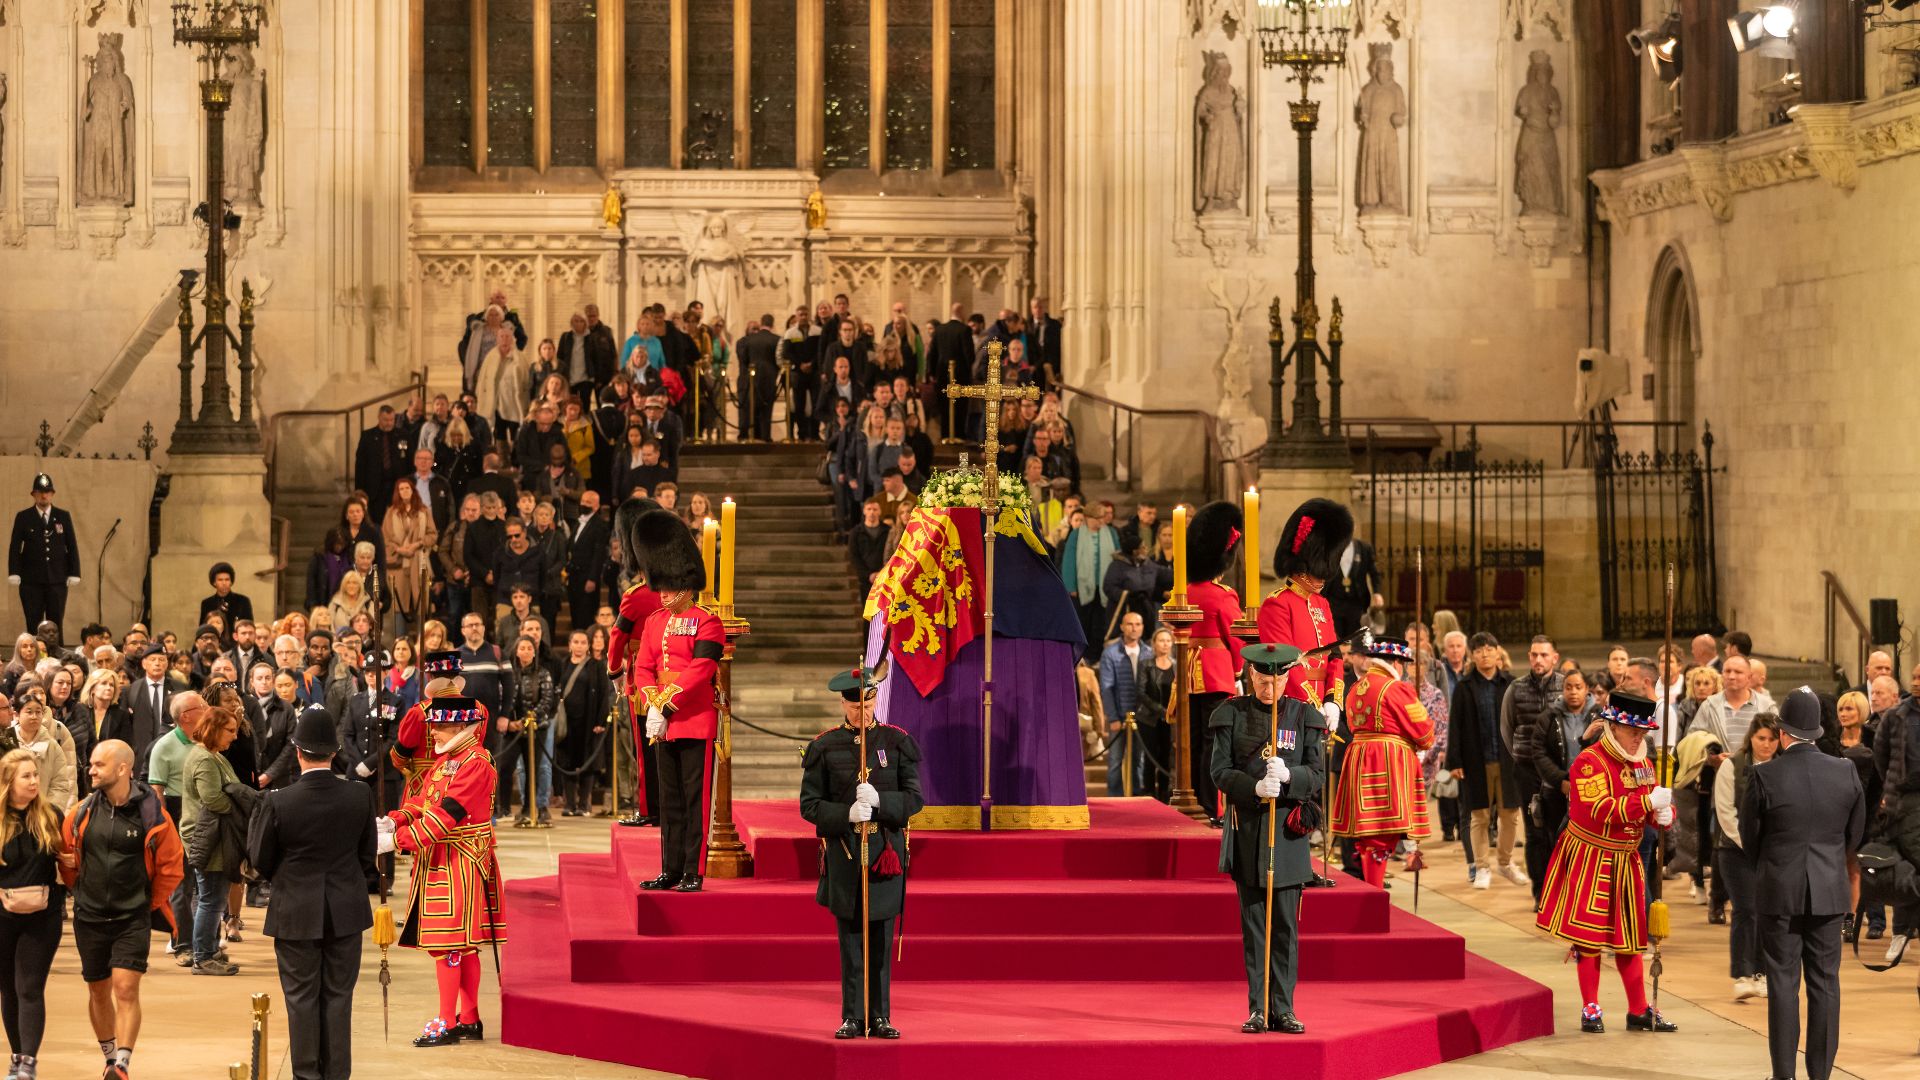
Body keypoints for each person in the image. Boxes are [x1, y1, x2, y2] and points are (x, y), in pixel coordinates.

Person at [1534, 692, 1678, 1034]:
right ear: (1613, 727)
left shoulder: (1643, 764)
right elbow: (1598, 809)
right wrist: (1647, 804)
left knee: (1631, 936)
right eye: (1633, 732)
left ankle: (1638, 1009)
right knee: (1589, 937)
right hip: (1590, 857)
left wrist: (1664, 814)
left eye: (1643, 733)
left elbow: (1649, 809)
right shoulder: (1589, 762)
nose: (1639, 739)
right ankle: (1590, 1007)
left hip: (1626, 859)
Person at [247, 706, 377, 1080]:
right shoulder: (359, 795)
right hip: (346, 909)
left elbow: (260, 859)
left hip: (295, 909)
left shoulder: (278, 800)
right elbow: (367, 855)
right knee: (338, 998)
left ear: (298, 751)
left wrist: (289, 878)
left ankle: (305, 1076)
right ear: (334, 752)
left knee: (300, 999)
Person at [1743, 687, 1866, 1080]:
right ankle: (1820, 1076)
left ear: (1782, 733)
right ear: (1816, 732)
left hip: (1779, 889)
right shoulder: (1845, 771)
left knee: (1783, 984)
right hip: (1829, 891)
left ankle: (1784, 1075)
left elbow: (1750, 839)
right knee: (1825, 984)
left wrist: (1772, 867)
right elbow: (1855, 836)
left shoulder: (1764, 774)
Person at [799, 664, 923, 1039]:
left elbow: (915, 799)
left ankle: (880, 1016)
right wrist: (846, 814)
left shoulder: (896, 742)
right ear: (843, 704)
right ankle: (852, 1016)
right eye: (855, 707)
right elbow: (809, 806)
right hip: (845, 853)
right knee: (851, 941)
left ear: (875, 701)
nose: (862, 713)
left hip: (885, 854)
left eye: (868, 705)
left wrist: (881, 802)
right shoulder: (824, 747)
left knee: (881, 941)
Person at [1210, 643, 1326, 1035]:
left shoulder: (1303, 715)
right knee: (1255, 928)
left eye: (1276, 679)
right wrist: (1255, 787)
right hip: (1248, 831)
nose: (1269, 686)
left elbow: (1317, 774)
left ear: (1287, 677)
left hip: (1288, 835)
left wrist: (1291, 776)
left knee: (1286, 930)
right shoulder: (1231, 713)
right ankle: (1258, 1009)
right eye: (1262, 679)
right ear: (1251, 675)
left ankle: (1284, 1009)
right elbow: (1220, 771)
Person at [61, 739, 186, 1080]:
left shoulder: (153, 815)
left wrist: (146, 903)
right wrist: (79, 890)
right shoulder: (82, 812)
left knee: (125, 988)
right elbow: (67, 858)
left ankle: (122, 1065)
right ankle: (109, 1057)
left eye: (98, 764)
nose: (91, 770)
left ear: (122, 769)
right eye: (91, 764)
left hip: (132, 917)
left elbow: (172, 867)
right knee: (98, 990)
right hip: (89, 917)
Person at [389, 695, 505, 1047]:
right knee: (463, 947)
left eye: (440, 726)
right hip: (444, 855)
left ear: (461, 727)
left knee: (449, 944)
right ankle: (469, 1018)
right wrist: (396, 819)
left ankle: (447, 1021)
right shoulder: (449, 759)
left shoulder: (476, 762)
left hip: (461, 859)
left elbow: (447, 814)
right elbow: (424, 801)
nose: (433, 732)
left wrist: (401, 840)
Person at [628, 509, 724, 890]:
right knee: (668, 799)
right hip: (662, 724)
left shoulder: (707, 621)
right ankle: (670, 868)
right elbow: (642, 667)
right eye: (661, 585)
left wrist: (666, 704)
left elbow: (701, 669)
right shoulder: (654, 621)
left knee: (693, 800)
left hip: (694, 720)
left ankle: (692, 871)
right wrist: (653, 703)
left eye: (669, 586)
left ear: (686, 584)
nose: (663, 592)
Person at [1331, 636, 1434, 888]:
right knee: (1382, 832)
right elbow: (1424, 732)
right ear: (1396, 662)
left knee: (1369, 835)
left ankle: (1371, 887)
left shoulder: (1356, 687)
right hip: (1387, 762)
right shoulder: (1395, 688)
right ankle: (1375, 891)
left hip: (1359, 758)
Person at [0, 748, 64, 1080]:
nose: (34, 781)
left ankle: (28, 1062)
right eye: (25, 776)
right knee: (7, 989)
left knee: (29, 987)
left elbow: (68, 862)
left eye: (35, 774)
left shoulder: (51, 815)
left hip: (43, 916)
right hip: (2, 915)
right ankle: (16, 1055)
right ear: (8, 782)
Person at [1183, 501, 1247, 824]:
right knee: (1215, 743)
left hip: (1188, 673)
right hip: (1216, 673)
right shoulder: (1223, 595)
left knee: (1192, 741)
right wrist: (1238, 670)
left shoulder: (1185, 590)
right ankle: (1211, 807)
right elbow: (1236, 637)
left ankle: (1193, 797)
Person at [1446, 632, 1524, 890]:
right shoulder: (1464, 687)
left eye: (1489, 649)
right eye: (1479, 650)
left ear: (1497, 651)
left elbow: (1521, 723)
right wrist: (1454, 761)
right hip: (1475, 761)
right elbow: (1455, 726)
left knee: (1510, 815)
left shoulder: (1511, 684)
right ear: (1472, 655)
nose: (1484, 654)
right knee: (1479, 816)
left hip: (1508, 760)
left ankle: (1505, 861)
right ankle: (1481, 867)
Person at [606, 500, 665, 827]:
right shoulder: (678, 594)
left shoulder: (636, 595)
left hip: (642, 680)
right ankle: (668, 806)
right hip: (673, 677)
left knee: (644, 748)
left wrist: (614, 670)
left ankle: (649, 807)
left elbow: (618, 637)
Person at [1714, 710, 1779, 1003]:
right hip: (1735, 850)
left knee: (1768, 911)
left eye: (1772, 739)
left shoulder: (1783, 766)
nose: (1766, 744)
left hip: (1772, 852)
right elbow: (1726, 812)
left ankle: (1762, 973)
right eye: (1761, 738)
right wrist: (1749, 843)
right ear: (1751, 737)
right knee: (1745, 909)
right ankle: (1742, 974)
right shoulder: (1732, 766)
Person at [181, 704, 250, 975]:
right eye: (230, 730)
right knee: (211, 899)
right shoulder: (204, 759)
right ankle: (203, 957)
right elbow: (213, 799)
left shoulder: (213, 756)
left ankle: (209, 950)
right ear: (214, 729)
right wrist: (241, 808)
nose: (234, 736)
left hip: (214, 835)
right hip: (207, 837)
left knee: (212, 899)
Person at [7, 475, 80, 634]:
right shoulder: (24, 517)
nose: (44, 495)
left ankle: (55, 651)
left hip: (57, 580)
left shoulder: (63, 516)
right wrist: (14, 571)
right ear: (33, 494)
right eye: (40, 492)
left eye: (47, 492)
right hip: (31, 581)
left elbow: (72, 546)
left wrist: (74, 572)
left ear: (52, 494)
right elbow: (15, 547)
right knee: (33, 623)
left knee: (56, 624)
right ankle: (33, 650)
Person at [1097, 612, 1147, 795]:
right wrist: (1112, 717)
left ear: (1142, 627)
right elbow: (1106, 687)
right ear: (1122, 627)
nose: (1134, 628)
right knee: (1115, 761)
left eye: (1137, 624)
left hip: (1142, 717)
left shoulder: (1148, 652)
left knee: (1139, 760)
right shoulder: (1111, 653)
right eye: (1130, 624)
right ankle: (1115, 798)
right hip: (1119, 716)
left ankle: (1137, 797)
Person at [198, 563, 255, 635]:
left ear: (231, 582)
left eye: (227, 580)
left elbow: (249, 625)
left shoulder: (243, 601)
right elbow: (203, 628)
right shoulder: (207, 603)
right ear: (214, 582)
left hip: (236, 639)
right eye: (220, 580)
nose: (224, 583)